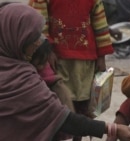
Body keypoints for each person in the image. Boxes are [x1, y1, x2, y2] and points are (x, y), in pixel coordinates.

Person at [0, 2, 130, 141]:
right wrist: (114, 129)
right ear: (14, 38)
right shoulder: (24, 80)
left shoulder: (22, 68)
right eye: (33, 38)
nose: (40, 42)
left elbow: (99, 21)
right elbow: (62, 118)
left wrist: (101, 55)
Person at [28, 0, 116, 140]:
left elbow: (100, 22)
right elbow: (38, 20)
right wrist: (47, 50)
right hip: (58, 59)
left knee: (82, 103)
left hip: (85, 61)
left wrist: (101, 56)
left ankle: (78, 137)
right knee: (58, 101)